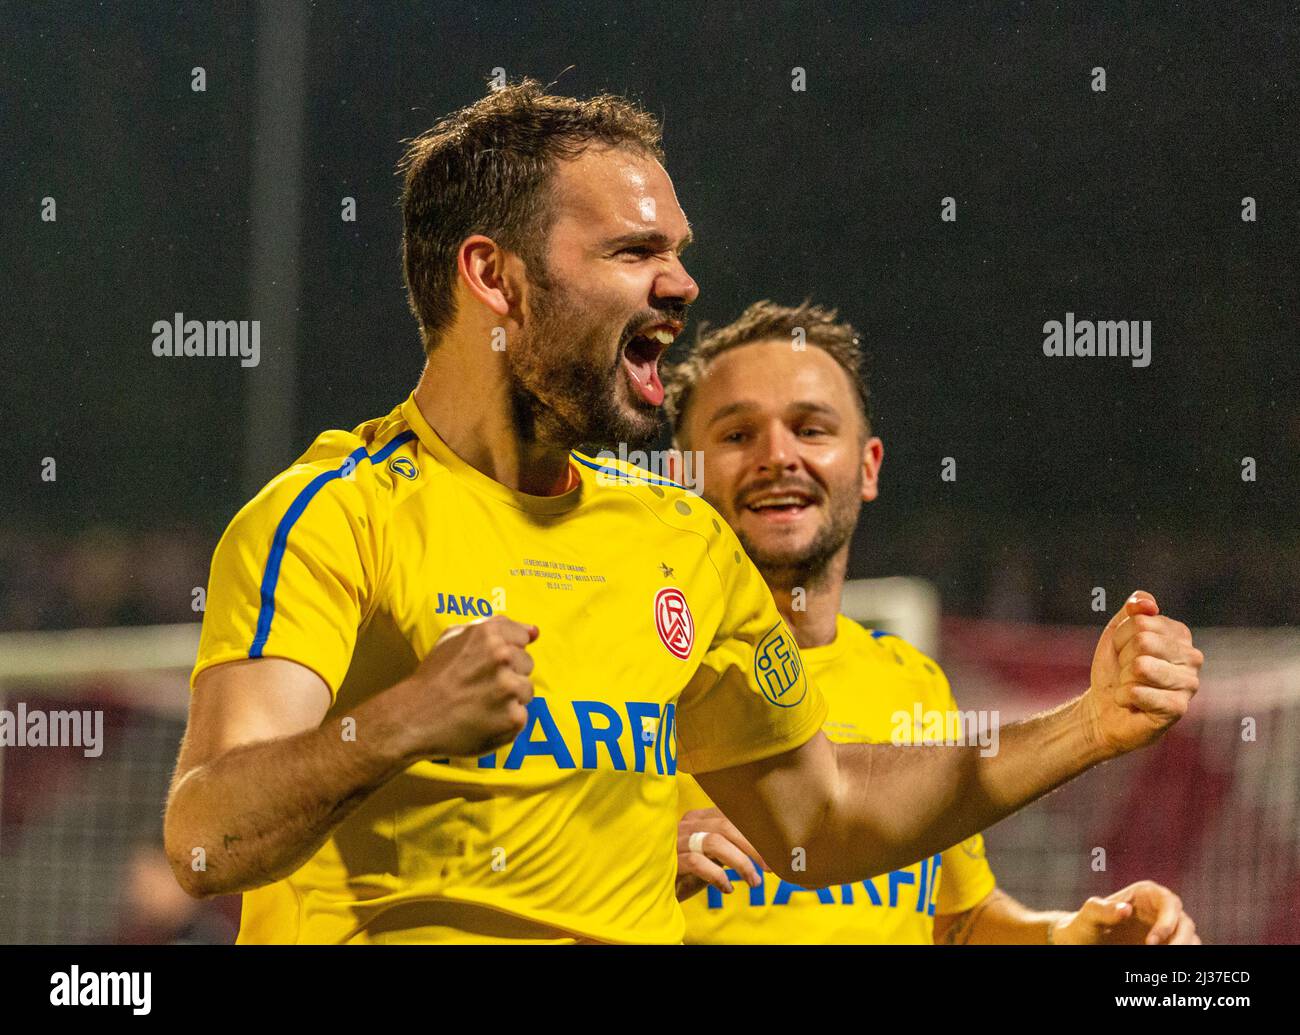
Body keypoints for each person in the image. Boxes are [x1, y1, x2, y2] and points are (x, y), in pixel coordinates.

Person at [162, 81, 1203, 944]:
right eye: (633, 252)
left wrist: (1084, 727)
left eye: (676, 250)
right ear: (494, 277)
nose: (681, 283)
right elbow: (205, 842)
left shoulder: (678, 541)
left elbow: (818, 821)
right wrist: (395, 724)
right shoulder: (336, 516)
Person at [663, 300, 1200, 944]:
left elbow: (958, 923)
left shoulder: (911, 682)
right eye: (737, 435)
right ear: (679, 476)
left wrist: (1070, 936)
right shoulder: (628, 671)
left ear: (867, 467)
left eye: (811, 430)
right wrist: (627, 867)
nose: (777, 456)